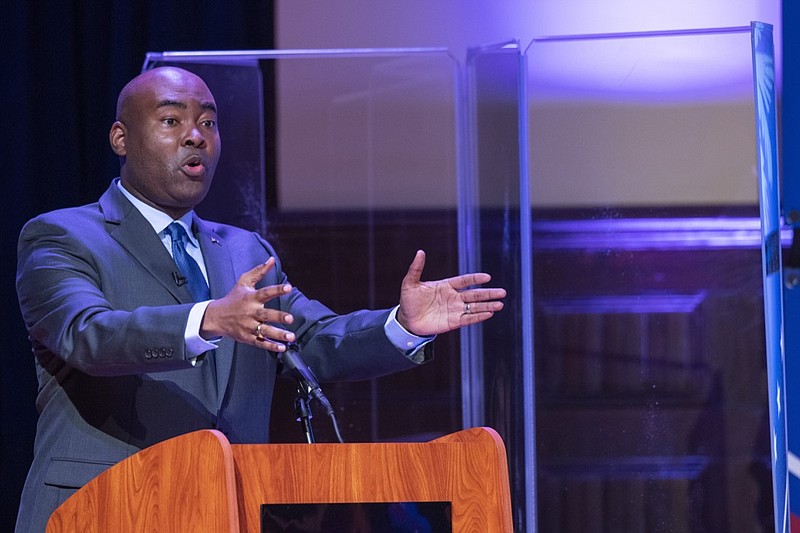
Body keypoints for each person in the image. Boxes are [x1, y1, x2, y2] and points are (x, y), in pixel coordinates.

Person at [14, 66, 506, 532]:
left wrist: (402, 325)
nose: (195, 136)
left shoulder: (244, 249)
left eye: (208, 122)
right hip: (102, 506)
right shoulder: (61, 236)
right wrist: (207, 319)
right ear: (121, 138)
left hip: (227, 507)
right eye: (171, 120)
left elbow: (310, 341)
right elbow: (87, 336)